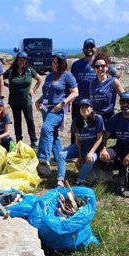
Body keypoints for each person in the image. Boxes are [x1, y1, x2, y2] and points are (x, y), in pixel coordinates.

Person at [34, 52, 78, 185]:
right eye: (53, 61)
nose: (54, 64)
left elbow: (75, 92)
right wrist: (39, 101)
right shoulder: (49, 76)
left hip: (57, 110)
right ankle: (61, 161)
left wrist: (63, 103)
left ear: (63, 63)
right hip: (46, 109)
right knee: (54, 136)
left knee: (47, 129)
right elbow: (47, 92)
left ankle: (43, 158)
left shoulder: (68, 76)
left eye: (57, 62)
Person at [99, 92, 129, 198]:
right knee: (104, 156)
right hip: (120, 146)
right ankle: (114, 178)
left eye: (128, 102)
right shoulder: (115, 118)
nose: (125, 104)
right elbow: (105, 136)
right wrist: (103, 148)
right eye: (122, 102)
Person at [56, 98, 103, 187]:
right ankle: (60, 180)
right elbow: (78, 141)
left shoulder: (98, 119)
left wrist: (91, 152)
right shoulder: (76, 121)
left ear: (91, 108)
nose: (84, 109)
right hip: (80, 146)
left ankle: (80, 181)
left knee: (91, 158)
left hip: (93, 148)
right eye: (82, 107)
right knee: (62, 154)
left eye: (87, 107)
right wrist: (79, 158)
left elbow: (99, 138)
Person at [3, 50, 42, 148]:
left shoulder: (29, 70)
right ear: (17, 60)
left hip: (26, 101)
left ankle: (33, 141)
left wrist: (33, 90)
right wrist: (8, 85)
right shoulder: (11, 71)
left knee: (30, 120)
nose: (21, 61)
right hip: (14, 101)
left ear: (26, 61)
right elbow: (0, 78)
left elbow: (40, 79)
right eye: (20, 59)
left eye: (23, 60)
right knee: (17, 121)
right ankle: (19, 140)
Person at [69, 38, 97, 144]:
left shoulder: (99, 64)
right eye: (87, 47)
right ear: (83, 49)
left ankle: (91, 149)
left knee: (92, 126)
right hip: (78, 102)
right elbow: (71, 84)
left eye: (91, 47)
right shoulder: (76, 65)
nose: (89, 49)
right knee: (76, 126)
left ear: (95, 48)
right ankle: (74, 148)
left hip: (93, 102)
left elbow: (115, 74)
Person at [89, 52, 124, 124]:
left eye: (102, 66)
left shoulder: (113, 81)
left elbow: (125, 97)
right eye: (97, 66)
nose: (100, 68)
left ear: (107, 67)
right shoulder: (92, 83)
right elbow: (91, 100)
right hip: (95, 119)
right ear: (94, 68)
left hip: (109, 119)